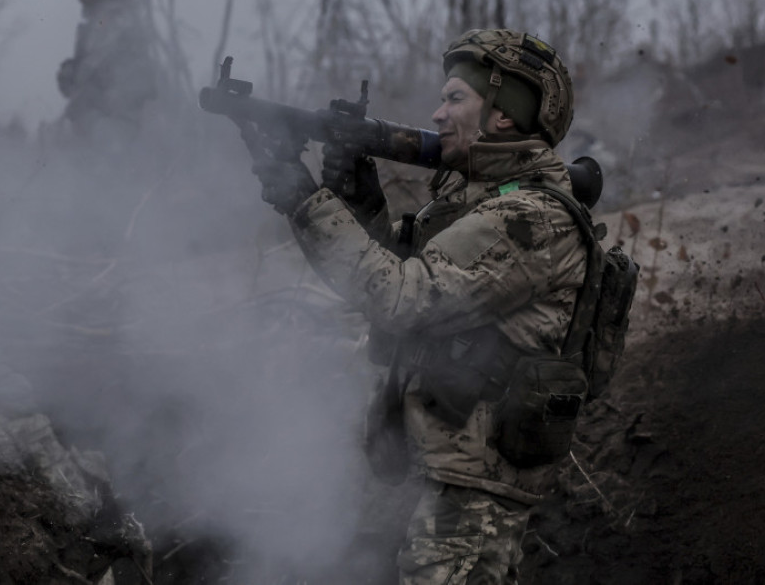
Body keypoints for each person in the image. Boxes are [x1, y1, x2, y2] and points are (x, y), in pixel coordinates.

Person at [250, 29, 588, 584]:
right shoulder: (473, 201)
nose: (437, 114)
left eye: (455, 98)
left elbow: (401, 298)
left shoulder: (531, 219)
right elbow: (388, 274)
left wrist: (305, 199)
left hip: (474, 485)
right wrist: (358, 200)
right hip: (436, 463)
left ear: (504, 114)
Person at [56, 0, 159, 149]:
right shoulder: (104, 15)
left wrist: (72, 76)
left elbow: (93, 64)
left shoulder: (113, 15)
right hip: (113, 110)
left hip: (121, 113)